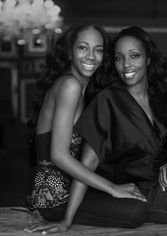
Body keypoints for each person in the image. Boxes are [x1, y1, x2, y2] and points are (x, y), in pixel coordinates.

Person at [27, 25, 167, 234]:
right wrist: (68, 220)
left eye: (134, 55)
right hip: (141, 189)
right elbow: (81, 161)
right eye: (118, 58)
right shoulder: (97, 96)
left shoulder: (162, 94)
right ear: (70, 51)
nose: (126, 64)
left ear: (148, 59)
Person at [25, 23, 148, 234]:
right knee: (135, 210)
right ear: (70, 52)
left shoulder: (86, 94)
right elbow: (59, 156)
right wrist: (112, 189)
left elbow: (86, 162)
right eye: (83, 47)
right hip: (51, 200)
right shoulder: (69, 86)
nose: (91, 56)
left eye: (98, 50)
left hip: (69, 193)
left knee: (136, 199)